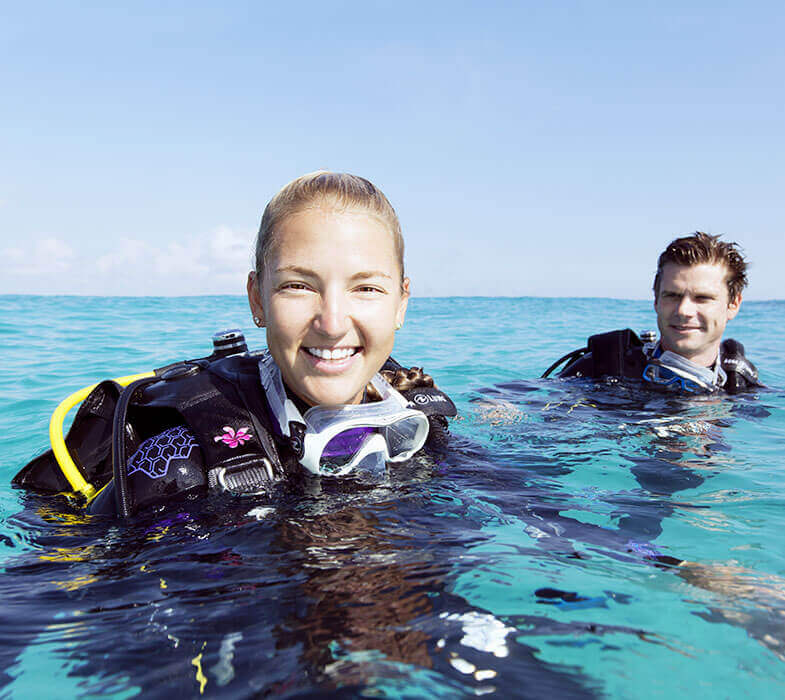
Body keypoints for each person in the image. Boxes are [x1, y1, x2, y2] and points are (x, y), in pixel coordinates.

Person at [13, 172, 456, 516]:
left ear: (401, 303)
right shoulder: (181, 465)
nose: (333, 322)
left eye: (367, 289)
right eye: (299, 286)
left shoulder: (423, 426)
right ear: (257, 299)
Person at [545, 232, 762, 393]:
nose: (684, 310)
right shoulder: (604, 369)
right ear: (656, 300)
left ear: (733, 304)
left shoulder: (741, 384)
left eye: (702, 298)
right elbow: (528, 402)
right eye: (672, 296)